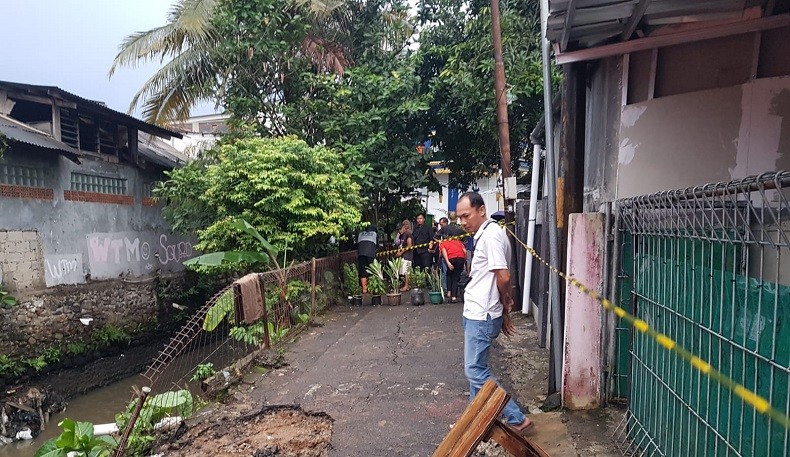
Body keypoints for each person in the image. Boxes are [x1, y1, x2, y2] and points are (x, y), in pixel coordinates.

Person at [455, 191, 532, 432]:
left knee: (475, 370)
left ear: (481, 210)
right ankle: (475, 420)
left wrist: (504, 302)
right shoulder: (487, 235)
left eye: (466, 215)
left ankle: (516, 417)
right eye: (459, 217)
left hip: (482, 314)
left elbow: (504, 276)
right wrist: (504, 311)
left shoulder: (490, 237)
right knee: (477, 370)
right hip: (480, 311)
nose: (462, 222)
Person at [439, 234, 466, 302]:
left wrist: (448, 263)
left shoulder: (443, 243)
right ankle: (453, 295)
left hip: (451, 258)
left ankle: (450, 294)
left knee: (449, 275)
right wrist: (464, 262)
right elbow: (464, 251)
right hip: (461, 258)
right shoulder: (459, 242)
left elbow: (444, 252)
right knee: (455, 277)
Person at [357, 225, 378, 294]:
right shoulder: (374, 234)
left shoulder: (361, 234)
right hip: (370, 254)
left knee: (362, 271)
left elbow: (358, 245)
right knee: (372, 271)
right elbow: (376, 246)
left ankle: (364, 289)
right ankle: (373, 288)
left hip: (361, 254)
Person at [395, 220, 414, 291]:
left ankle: (407, 286)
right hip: (403, 256)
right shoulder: (401, 235)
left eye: (400, 229)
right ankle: (406, 285)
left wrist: (401, 252)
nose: (399, 231)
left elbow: (409, 245)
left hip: (407, 256)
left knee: (406, 271)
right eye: (398, 230)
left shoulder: (408, 234)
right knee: (403, 271)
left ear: (404, 227)